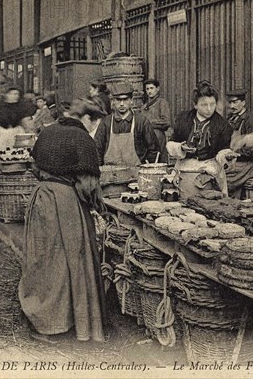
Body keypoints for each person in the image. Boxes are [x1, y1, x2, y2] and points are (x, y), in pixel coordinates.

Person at [19, 113, 106, 342]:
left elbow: (34, 167)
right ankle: (72, 321)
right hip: (67, 203)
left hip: (42, 197)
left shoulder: (47, 134)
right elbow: (88, 186)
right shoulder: (82, 140)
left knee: (45, 260)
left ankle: (45, 321)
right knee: (72, 263)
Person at [166, 81, 235, 195]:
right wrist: (181, 147)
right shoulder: (183, 119)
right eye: (204, 105)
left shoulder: (222, 125)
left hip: (210, 169)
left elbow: (223, 149)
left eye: (212, 104)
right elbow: (171, 143)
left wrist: (226, 155)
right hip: (185, 168)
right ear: (195, 105)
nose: (209, 109)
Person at [94, 82, 160, 166]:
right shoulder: (106, 122)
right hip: (111, 174)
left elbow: (153, 149)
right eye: (118, 100)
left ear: (131, 100)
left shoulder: (141, 121)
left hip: (136, 172)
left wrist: (147, 169)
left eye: (125, 99)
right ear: (113, 101)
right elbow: (97, 149)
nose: (122, 104)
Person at [224, 89, 253, 198]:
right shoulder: (230, 119)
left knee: (222, 181)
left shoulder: (251, 120)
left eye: (235, 102)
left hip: (248, 165)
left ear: (243, 103)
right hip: (233, 162)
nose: (232, 106)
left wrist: (236, 155)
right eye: (230, 102)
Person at [141, 79, 171, 163]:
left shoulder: (162, 103)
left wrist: (149, 123)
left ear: (157, 89)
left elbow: (166, 122)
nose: (149, 91)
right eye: (147, 89)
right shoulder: (144, 107)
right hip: (145, 138)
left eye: (152, 88)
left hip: (158, 137)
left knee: (159, 160)